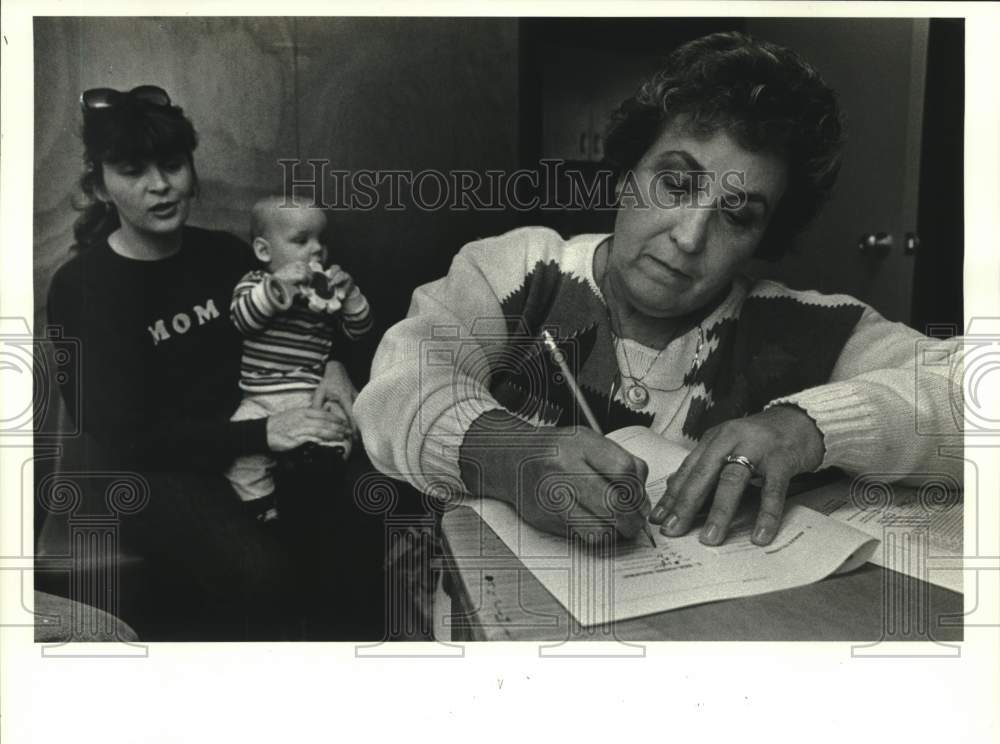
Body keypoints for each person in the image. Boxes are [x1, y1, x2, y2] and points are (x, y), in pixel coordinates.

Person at [354, 31, 962, 552]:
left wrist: (809, 428)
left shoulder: (803, 327)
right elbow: (399, 383)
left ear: (766, 235)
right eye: (675, 184)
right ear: (625, 175)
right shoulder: (518, 271)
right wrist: (510, 453)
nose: (690, 237)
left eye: (738, 215)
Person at [45, 85, 357, 638]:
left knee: (347, 531)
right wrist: (264, 434)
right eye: (132, 170)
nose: (159, 185)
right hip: (149, 473)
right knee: (264, 576)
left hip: (253, 436)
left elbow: (305, 326)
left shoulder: (225, 254)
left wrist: (335, 367)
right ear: (100, 184)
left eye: (172, 165)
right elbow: (123, 437)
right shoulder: (81, 287)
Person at [226, 195, 373, 523]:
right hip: (261, 399)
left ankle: (322, 465)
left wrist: (350, 295)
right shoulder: (255, 284)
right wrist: (277, 288)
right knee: (240, 455)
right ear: (265, 251)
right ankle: (261, 506)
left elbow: (359, 330)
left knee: (341, 425)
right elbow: (243, 320)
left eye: (322, 240)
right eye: (301, 241)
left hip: (311, 393)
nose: (316, 249)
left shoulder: (324, 293)